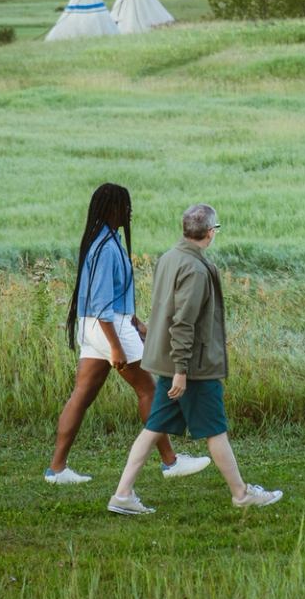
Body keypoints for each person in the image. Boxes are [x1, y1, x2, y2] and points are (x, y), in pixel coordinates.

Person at [109, 203, 282, 515]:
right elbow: (183, 322)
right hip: (193, 367)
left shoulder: (169, 257)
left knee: (153, 428)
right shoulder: (196, 270)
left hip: (171, 362)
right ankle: (241, 494)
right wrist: (181, 370)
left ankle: (122, 494)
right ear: (211, 232)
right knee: (215, 429)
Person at [46, 183, 210, 485]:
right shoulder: (107, 248)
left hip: (98, 325)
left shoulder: (105, 241)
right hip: (108, 326)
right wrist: (115, 346)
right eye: (126, 206)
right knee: (149, 390)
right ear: (112, 209)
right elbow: (101, 302)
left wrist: (136, 321)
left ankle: (56, 470)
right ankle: (170, 462)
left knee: (81, 395)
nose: (130, 211)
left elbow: (111, 296)